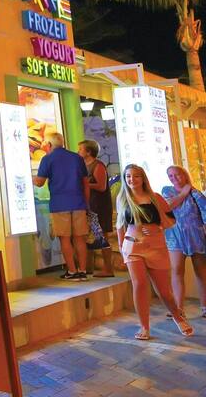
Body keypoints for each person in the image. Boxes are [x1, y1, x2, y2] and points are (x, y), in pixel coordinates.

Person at [116, 163, 193, 339]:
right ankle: (144, 327)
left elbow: (171, 220)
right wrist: (121, 247)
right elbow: (120, 224)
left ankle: (178, 317)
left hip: (155, 246)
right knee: (139, 284)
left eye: (136, 176)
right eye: (128, 176)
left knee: (163, 291)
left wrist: (157, 228)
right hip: (132, 246)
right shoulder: (123, 198)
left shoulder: (155, 197)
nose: (132, 179)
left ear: (143, 178)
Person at [33, 133, 89, 280]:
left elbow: (39, 182)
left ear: (49, 145)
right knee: (80, 239)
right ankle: (83, 271)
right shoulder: (77, 158)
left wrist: (28, 178)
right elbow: (85, 182)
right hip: (78, 203)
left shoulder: (47, 159)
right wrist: (86, 202)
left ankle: (72, 271)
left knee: (65, 239)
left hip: (59, 204)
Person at [161, 165, 206, 318]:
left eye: (177, 174)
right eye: (170, 176)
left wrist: (189, 191)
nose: (174, 178)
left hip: (196, 236)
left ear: (184, 175)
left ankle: (205, 307)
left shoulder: (196, 193)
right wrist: (184, 193)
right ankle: (178, 309)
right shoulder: (167, 191)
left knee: (201, 271)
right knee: (177, 270)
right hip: (174, 236)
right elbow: (168, 206)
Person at [79, 140, 115, 277]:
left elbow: (102, 186)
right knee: (88, 236)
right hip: (89, 205)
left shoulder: (98, 165)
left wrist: (85, 184)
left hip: (100, 206)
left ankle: (108, 268)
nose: (78, 152)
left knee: (102, 236)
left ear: (88, 152)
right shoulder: (84, 166)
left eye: (80, 149)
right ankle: (88, 267)